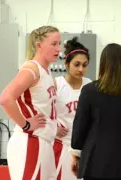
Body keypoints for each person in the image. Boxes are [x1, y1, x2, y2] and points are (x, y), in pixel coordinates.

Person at [71, 43, 121, 180]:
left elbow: (80, 125)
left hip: (95, 159)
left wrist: (75, 154)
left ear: (103, 63)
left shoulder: (89, 90)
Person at [0, 25, 61, 180]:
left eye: (59, 44)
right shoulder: (31, 69)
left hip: (44, 141)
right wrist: (25, 124)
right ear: (39, 45)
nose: (58, 49)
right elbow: (5, 98)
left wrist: (54, 127)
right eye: (54, 44)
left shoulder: (47, 71)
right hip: (30, 141)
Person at [53, 37, 92, 179]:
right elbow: (42, 113)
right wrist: (54, 127)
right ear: (67, 64)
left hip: (83, 147)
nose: (81, 69)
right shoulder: (56, 84)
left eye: (85, 65)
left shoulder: (90, 86)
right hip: (60, 145)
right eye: (76, 64)